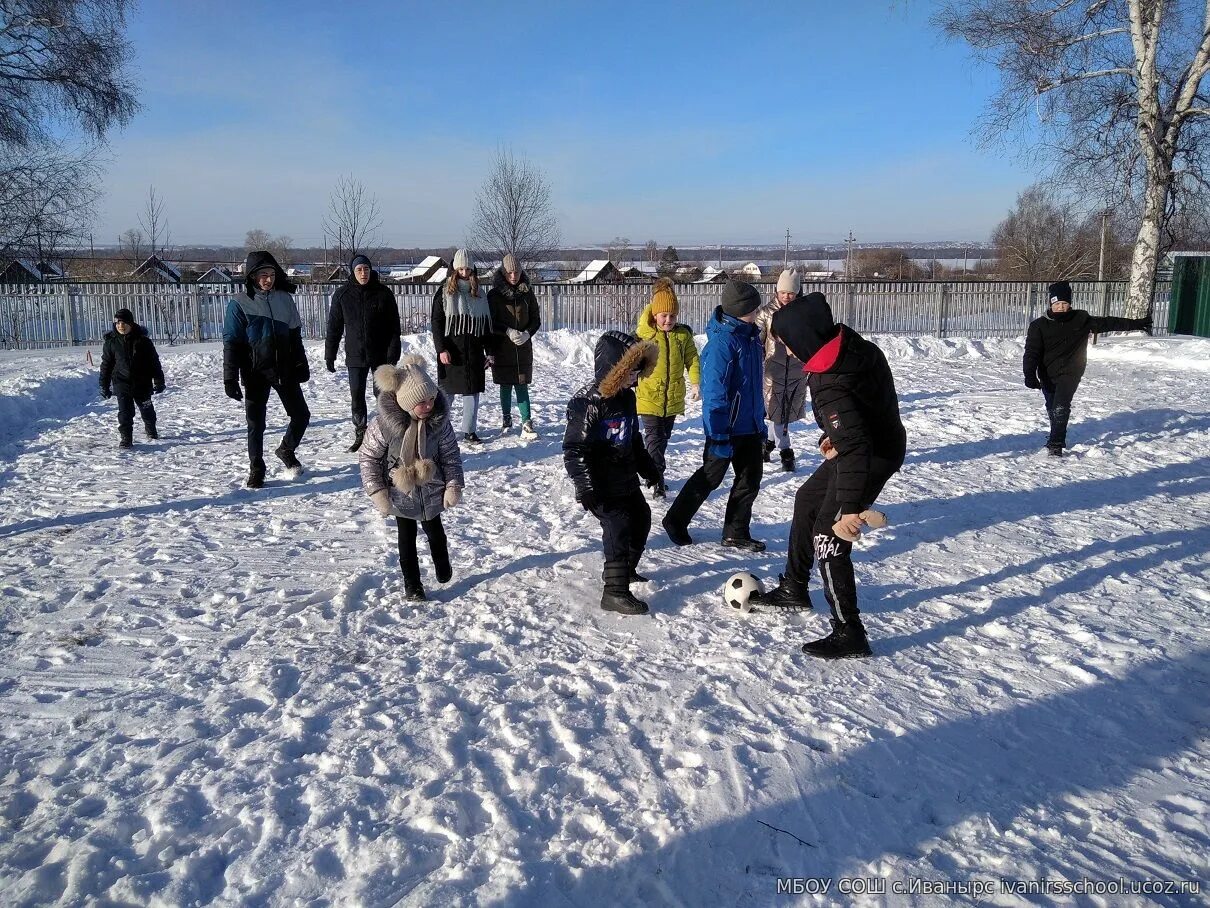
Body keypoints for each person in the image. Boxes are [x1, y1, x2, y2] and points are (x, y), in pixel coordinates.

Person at [757, 292, 906, 659]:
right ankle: (794, 586)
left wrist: (851, 508)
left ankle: (848, 630)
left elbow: (856, 446)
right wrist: (834, 436)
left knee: (829, 531)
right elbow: (865, 408)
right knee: (807, 499)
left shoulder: (829, 379)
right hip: (869, 443)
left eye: (789, 344)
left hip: (871, 456)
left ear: (804, 340)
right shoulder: (853, 347)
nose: (788, 352)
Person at [662, 279, 766, 551]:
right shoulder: (723, 344)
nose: (757, 313)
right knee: (710, 477)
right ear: (737, 310)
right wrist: (718, 433)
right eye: (752, 309)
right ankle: (675, 520)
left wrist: (760, 422)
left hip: (750, 426)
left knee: (750, 481)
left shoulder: (752, 338)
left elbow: (754, 387)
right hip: (726, 428)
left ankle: (736, 532)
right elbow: (715, 393)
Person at [564, 331, 661, 615]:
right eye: (631, 370)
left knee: (642, 519)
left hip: (626, 479)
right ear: (614, 370)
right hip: (600, 484)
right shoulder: (588, 404)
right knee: (617, 528)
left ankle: (624, 571)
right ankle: (614, 593)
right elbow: (574, 449)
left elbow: (633, 439)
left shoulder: (626, 399)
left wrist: (649, 469)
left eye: (638, 370)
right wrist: (585, 487)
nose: (636, 376)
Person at [360, 355, 464, 603]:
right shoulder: (383, 426)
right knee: (406, 542)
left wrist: (453, 485)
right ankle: (413, 585)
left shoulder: (439, 423)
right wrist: (378, 493)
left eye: (431, 399)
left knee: (436, 533)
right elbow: (369, 458)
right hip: (400, 494)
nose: (429, 405)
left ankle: (442, 565)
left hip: (432, 491)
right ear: (405, 402)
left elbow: (450, 455)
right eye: (421, 402)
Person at [1023, 280, 1152, 456]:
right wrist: (1029, 374)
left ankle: (1056, 444)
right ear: (1051, 304)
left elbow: (1109, 323)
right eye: (1057, 304)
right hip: (1047, 372)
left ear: (1070, 304)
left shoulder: (1081, 319)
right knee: (1052, 405)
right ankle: (1056, 432)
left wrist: (1136, 324)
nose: (1061, 307)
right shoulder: (1039, 326)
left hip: (1071, 371)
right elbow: (1032, 352)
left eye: (1064, 303)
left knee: (1061, 405)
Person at [223, 250, 311, 488]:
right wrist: (229, 377)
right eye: (262, 274)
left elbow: (295, 336)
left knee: (301, 415)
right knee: (256, 423)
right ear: (252, 276)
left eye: (271, 274)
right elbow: (231, 343)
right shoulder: (239, 304)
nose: (268, 279)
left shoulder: (284, 299)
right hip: (255, 371)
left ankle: (286, 449)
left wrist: (301, 363)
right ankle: (256, 468)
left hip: (283, 368)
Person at [325, 253, 402, 452]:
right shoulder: (342, 295)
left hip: (380, 355)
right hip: (355, 355)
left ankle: (386, 430)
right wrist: (330, 354)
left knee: (383, 395)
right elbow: (334, 327)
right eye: (359, 270)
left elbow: (394, 327)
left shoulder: (383, 293)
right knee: (356, 395)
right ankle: (361, 431)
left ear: (371, 270)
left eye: (366, 269)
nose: (363, 273)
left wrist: (393, 355)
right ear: (353, 271)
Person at [634, 277, 701, 499]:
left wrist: (695, 383)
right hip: (649, 398)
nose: (669, 320)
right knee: (654, 439)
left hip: (672, 399)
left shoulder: (683, 336)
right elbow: (630, 363)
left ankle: (650, 470)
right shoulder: (646, 336)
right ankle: (657, 479)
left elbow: (692, 360)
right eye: (664, 315)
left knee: (663, 439)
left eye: (673, 316)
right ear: (654, 315)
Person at [433, 248, 493, 446]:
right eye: (461, 269)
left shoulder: (479, 293)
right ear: (455, 268)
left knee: (472, 393)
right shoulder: (444, 293)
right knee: (446, 394)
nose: (465, 272)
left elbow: (485, 327)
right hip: (452, 350)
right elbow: (437, 323)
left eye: (468, 268)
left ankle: (469, 431)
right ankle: (439, 430)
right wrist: (441, 349)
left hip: (474, 351)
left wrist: (489, 352)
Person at [755, 269, 807, 472]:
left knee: (782, 413)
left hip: (796, 371)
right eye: (783, 292)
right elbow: (757, 342)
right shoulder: (766, 313)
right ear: (776, 291)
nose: (786, 296)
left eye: (791, 293)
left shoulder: (803, 313)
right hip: (773, 372)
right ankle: (786, 450)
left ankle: (767, 444)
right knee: (778, 414)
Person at [488, 253, 541, 438]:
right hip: (502, 347)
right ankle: (506, 418)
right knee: (505, 385)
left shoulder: (527, 293)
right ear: (503, 272)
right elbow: (491, 322)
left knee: (521, 384)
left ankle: (526, 421)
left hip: (522, 348)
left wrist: (527, 333)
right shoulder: (494, 295)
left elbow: (536, 319)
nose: (513, 276)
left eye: (516, 272)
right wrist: (507, 331)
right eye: (509, 272)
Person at [99, 307, 165, 448]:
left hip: (142, 383)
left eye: (124, 323)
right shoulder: (111, 342)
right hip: (121, 383)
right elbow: (106, 365)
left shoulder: (143, 341)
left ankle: (151, 429)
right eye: (118, 323)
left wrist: (159, 380)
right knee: (125, 413)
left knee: (147, 410)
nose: (121, 326)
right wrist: (103, 385)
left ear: (131, 324)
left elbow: (154, 362)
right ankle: (126, 437)